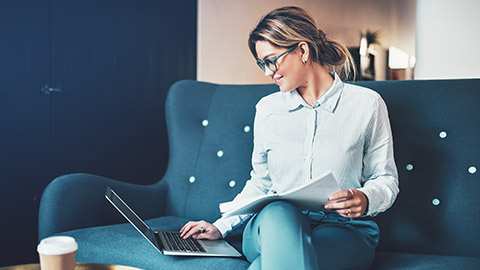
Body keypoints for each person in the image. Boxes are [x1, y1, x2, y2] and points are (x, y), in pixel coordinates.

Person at [180, 6, 399, 270]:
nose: (267, 72)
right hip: (269, 225)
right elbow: (261, 182)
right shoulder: (268, 109)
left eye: (271, 60)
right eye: (262, 64)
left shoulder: (367, 104)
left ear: (303, 51)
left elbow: (385, 179)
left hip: (344, 230)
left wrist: (365, 198)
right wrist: (220, 226)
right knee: (279, 212)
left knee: (270, 264)